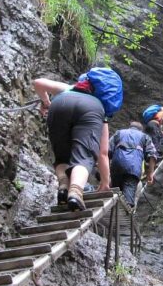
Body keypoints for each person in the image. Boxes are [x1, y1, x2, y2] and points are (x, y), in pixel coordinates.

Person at [33, 75, 111, 212]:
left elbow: (38, 83)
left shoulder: (67, 88)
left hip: (59, 104)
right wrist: (105, 182)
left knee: (62, 157)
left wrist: (46, 102)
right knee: (84, 155)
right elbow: (103, 153)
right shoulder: (100, 104)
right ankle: (75, 192)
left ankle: (64, 186)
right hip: (90, 109)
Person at [109, 122, 157, 207]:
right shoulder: (145, 136)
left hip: (116, 166)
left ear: (130, 127)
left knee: (115, 192)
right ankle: (126, 212)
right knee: (128, 197)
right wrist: (150, 173)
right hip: (133, 168)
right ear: (141, 130)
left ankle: (113, 210)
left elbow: (107, 150)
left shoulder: (119, 133)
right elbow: (152, 154)